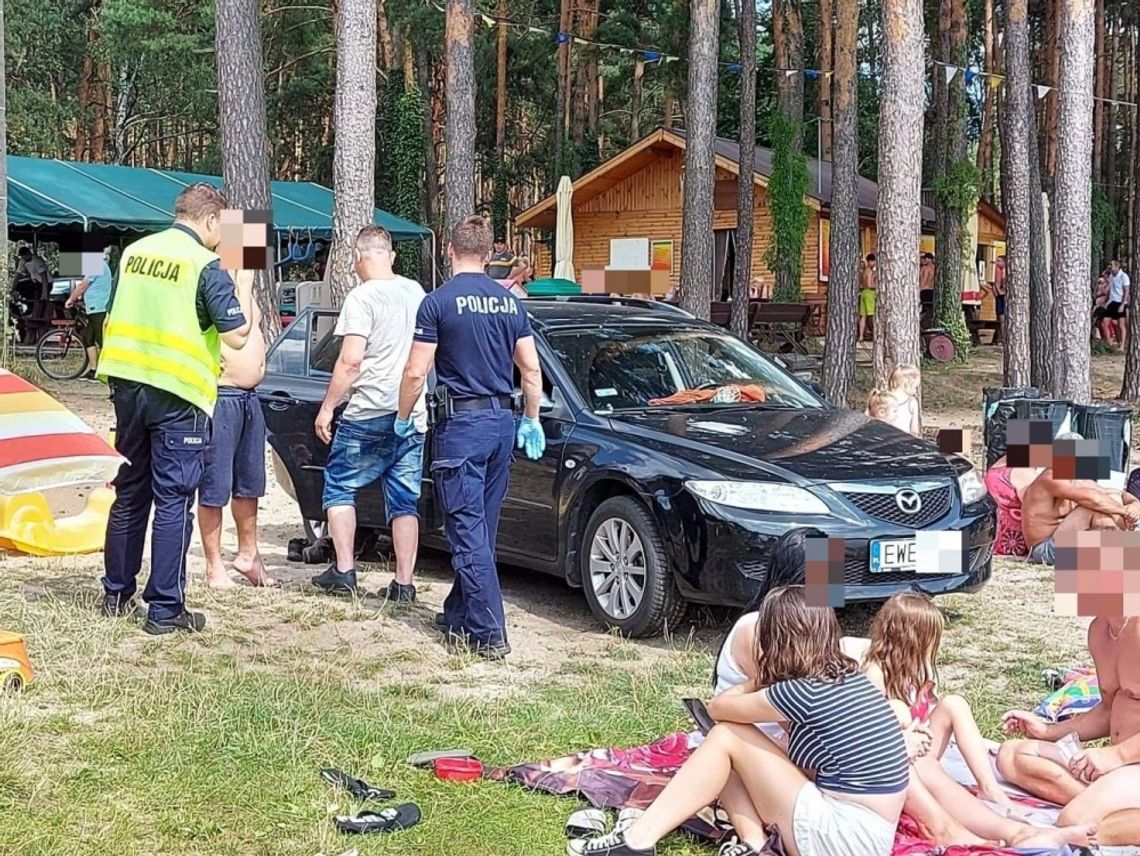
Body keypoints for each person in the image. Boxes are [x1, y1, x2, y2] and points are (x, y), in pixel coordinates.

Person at [575, 585, 910, 856]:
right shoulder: (846, 678)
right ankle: (753, 845)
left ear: (779, 640)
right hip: (867, 834)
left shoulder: (802, 692)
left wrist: (761, 677)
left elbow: (719, 707)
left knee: (725, 737)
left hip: (843, 838)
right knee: (732, 753)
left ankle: (638, 840)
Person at [97, 183, 254, 634]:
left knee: (129, 492)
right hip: (178, 395)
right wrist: (242, 280)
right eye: (222, 230)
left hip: (128, 387)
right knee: (173, 500)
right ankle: (165, 608)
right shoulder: (205, 265)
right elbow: (238, 336)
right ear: (209, 222)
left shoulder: (135, 253)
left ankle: (115, 592)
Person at [395, 215, 546, 659]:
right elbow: (531, 369)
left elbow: (416, 370)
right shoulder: (510, 303)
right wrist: (531, 418)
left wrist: (403, 416)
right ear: (489, 255)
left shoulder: (437, 302)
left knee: (466, 529)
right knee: (483, 524)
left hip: (462, 426)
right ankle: (460, 610)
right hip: (502, 422)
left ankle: (488, 631)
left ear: (449, 250)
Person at [312, 226, 428, 602]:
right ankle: (404, 583)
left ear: (358, 258)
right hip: (411, 412)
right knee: (404, 499)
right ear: (391, 256)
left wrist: (328, 407)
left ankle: (344, 571)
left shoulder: (361, 297)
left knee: (340, 486)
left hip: (369, 412)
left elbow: (350, 361)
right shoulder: (416, 292)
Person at [998, 617, 1140, 848]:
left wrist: (1119, 755)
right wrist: (1046, 731)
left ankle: (1100, 808)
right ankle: (1110, 805)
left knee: (1075, 823)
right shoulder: (1100, 630)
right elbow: (1108, 710)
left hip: (1130, 761)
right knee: (1012, 755)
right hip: (1117, 765)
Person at [197, 272, 273, 590]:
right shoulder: (217, 281)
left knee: (250, 482)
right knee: (215, 485)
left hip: (248, 396)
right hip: (223, 395)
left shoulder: (247, 281)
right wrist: (242, 285)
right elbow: (236, 331)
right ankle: (214, 566)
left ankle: (248, 553)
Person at [1020, 435, 1140, 565]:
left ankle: (1119, 548)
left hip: (1063, 540)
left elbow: (1118, 493)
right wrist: (1124, 511)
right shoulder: (1050, 477)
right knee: (1091, 507)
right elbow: (1092, 500)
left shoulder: (1076, 477)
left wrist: (1134, 505)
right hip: (1044, 550)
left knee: (1110, 499)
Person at [65, 246, 115, 380]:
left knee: (102, 340)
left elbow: (83, 285)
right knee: (88, 338)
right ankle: (93, 370)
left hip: (98, 308)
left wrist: (71, 299)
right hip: (94, 308)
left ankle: (111, 373)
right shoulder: (101, 265)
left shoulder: (97, 265)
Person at [11, 246, 52, 344]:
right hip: (36, 283)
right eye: (22, 257)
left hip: (45, 284)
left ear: (28, 254)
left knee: (42, 309)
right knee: (35, 308)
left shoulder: (37, 261)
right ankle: (30, 336)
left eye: (24, 256)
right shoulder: (23, 261)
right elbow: (18, 275)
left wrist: (44, 293)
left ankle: (41, 335)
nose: (23, 259)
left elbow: (44, 277)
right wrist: (12, 289)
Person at [884, 364, 922, 437]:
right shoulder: (912, 402)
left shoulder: (883, 398)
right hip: (903, 441)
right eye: (915, 387)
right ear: (908, 384)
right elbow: (914, 430)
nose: (916, 390)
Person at [1101, 260, 1130, 349]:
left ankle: (1122, 345)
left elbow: (1126, 291)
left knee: (1121, 324)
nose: (1110, 267)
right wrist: (1107, 302)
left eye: (1112, 265)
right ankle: (1109, 344)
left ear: (1117, 266)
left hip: (1120, 302)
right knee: (1104, 322)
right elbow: (1110, 290)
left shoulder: (1123, 276)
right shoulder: (1111, 276)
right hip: (1112, 302)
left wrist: (1123, 304)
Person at [858, 254, 877, 342]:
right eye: (873, 261)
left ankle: (861, 336)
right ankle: (874, 334)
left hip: (863, 293)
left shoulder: (865, 271)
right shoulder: (869, 271)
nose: (874, 263)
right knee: (871, 315)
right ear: (870, 261)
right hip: (869, 293)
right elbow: (869, 284)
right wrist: (876, 286)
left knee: (863, 316)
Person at [991, 256, 1006, 345]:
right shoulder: (998, 271)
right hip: (999, 296)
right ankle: (999, 338)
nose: (997, 263)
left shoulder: (1007, 271)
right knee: (999, 318)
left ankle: (1003, 338)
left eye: (999, 261)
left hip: (1003, 296)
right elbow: (996, 283)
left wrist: (1001, 292)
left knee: (1003, 318)